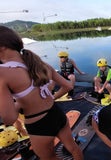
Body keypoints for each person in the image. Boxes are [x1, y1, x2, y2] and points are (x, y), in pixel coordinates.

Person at [0, 26, 83, 160]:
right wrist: (51, 97)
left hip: (38, 124)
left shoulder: (3, 73)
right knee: (73, 147)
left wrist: (19, 103)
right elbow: (68, 86)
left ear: (2, 47)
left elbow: (8, 118)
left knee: (49, 157)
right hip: (56, 113)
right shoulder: (39, 63)